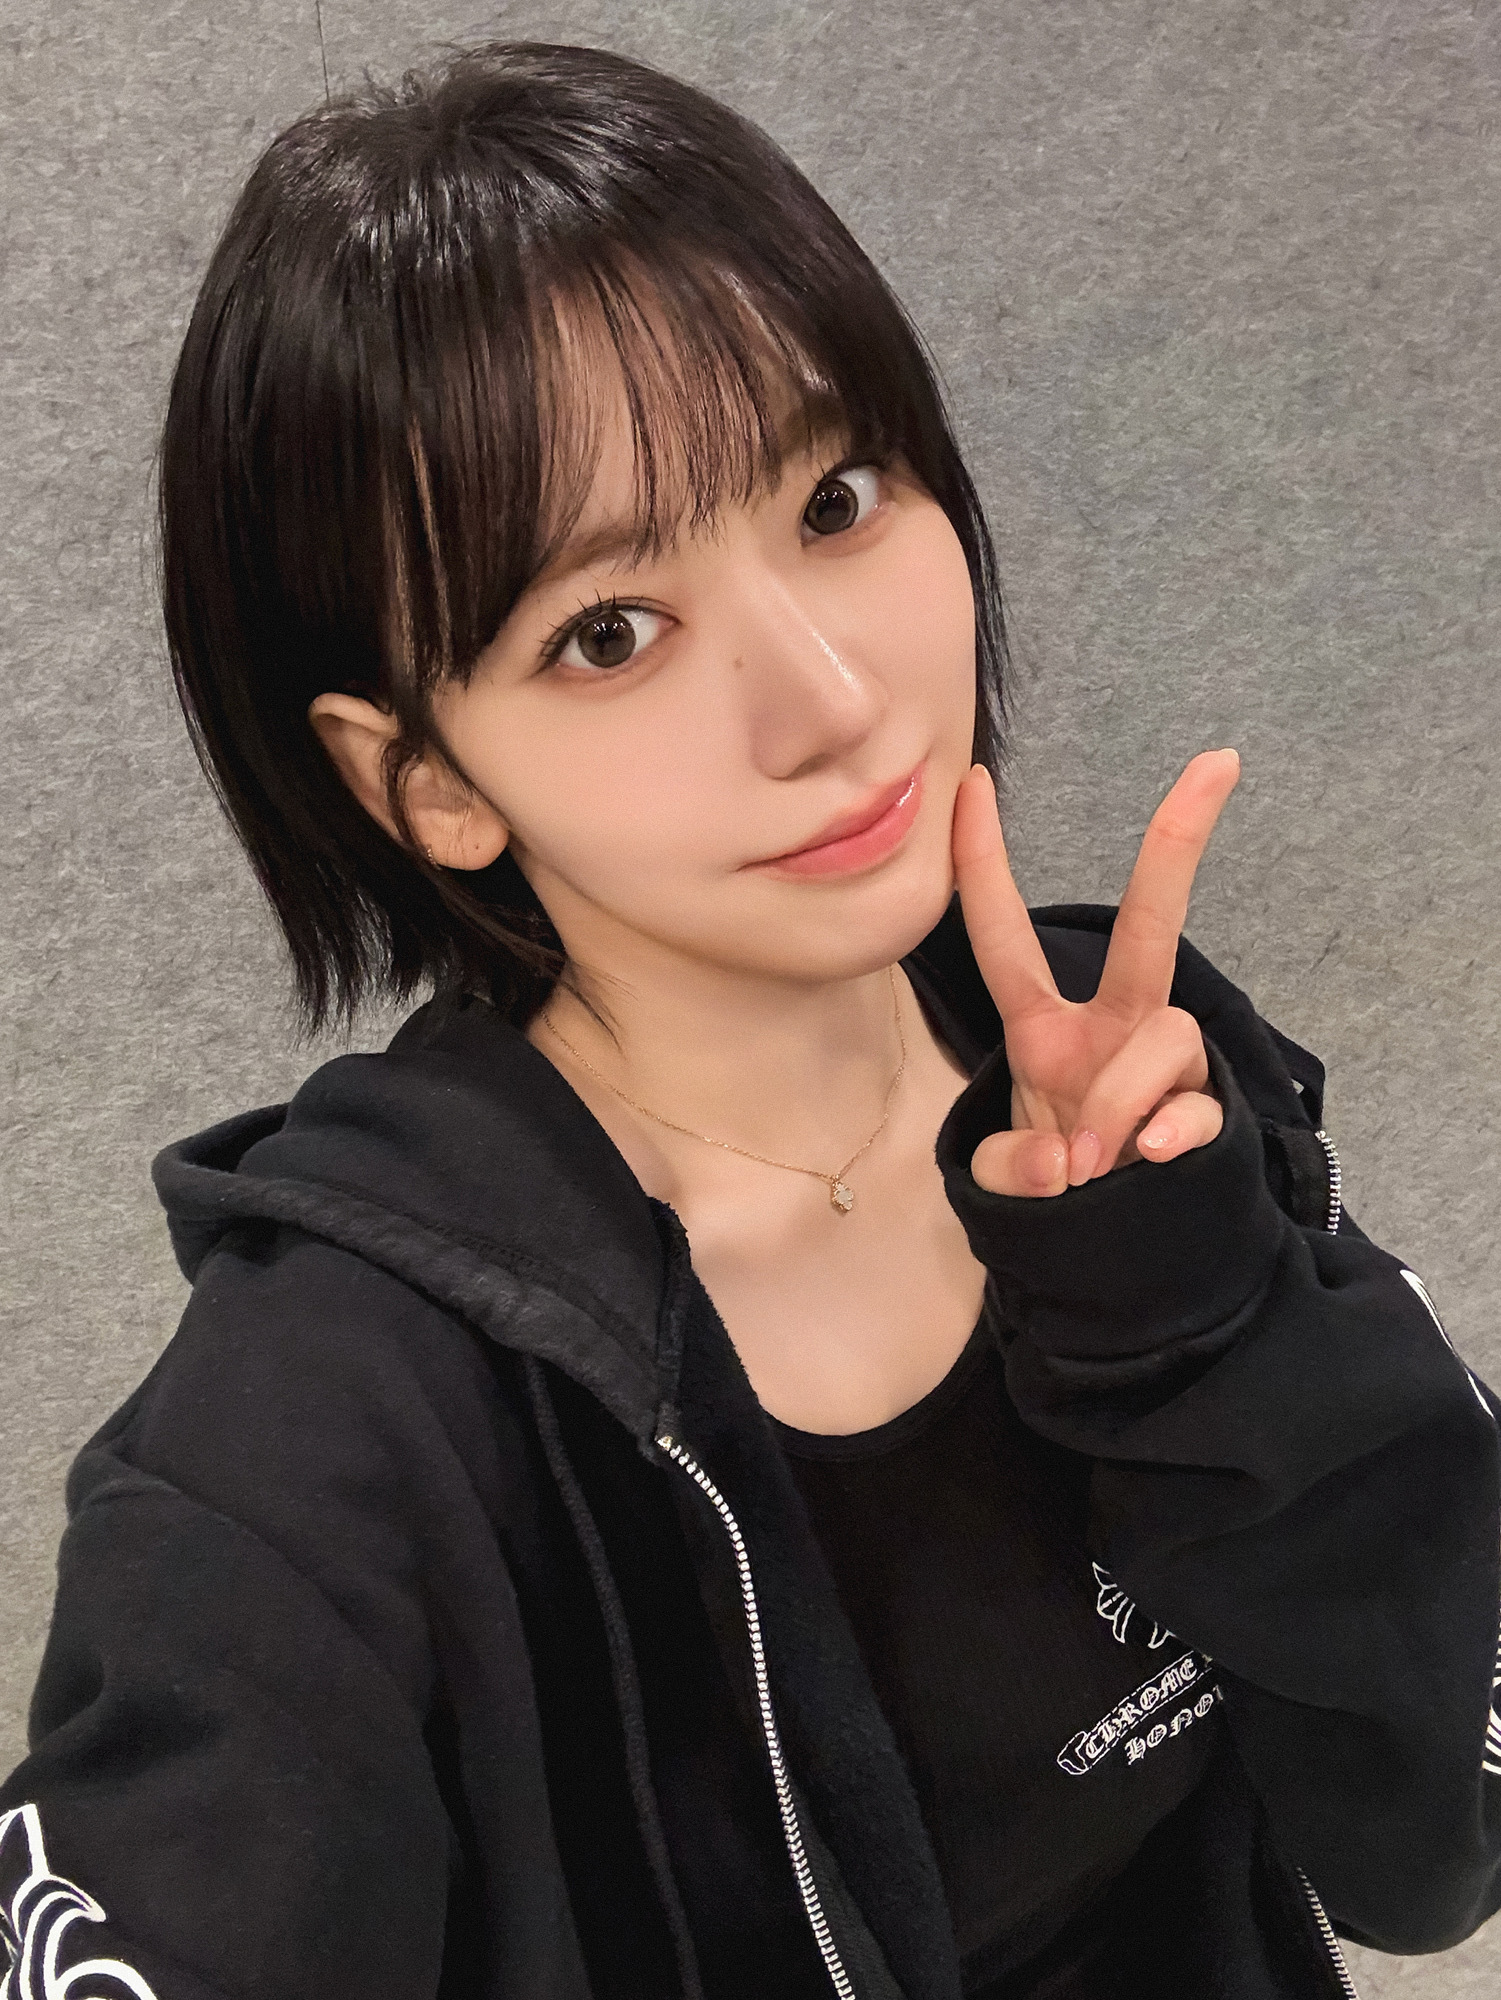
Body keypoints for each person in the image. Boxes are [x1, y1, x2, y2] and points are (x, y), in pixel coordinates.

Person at [1, 38, 1498, 2000]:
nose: (829, 696)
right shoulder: (323, 1431)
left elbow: (1426, 1844)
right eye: (607, 633)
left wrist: (1202, 1318)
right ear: (422, 780)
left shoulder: (1132, 1075)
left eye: (834, 498)